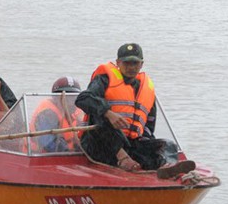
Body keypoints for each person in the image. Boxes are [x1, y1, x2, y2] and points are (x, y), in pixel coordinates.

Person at [74, 43, 195, 178]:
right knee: (103, 117)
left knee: (167, 145)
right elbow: (83, 99)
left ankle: (169, 167)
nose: (131, 67)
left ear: (141, 64)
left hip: (130, 144)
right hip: (100, 145)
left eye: (135, 63)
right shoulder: (104, 79)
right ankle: (122, 158)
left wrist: (148, 147)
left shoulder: (146, 90)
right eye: (126, 63)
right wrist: (108, 112)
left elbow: (148, 126)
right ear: (118, 63)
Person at [30, 76, 84, 153]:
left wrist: (83, 123)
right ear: (55, 97)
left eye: (74, 96)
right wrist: (71, 153)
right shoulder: (47, 114)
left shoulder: (79, 112)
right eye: (67, 97)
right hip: (39, 159)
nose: (71, 101)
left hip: (71, 156)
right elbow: (49, 143)